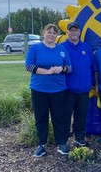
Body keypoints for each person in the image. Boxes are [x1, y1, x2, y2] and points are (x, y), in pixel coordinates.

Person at [25, 24, 71, 157]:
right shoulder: (35, 48)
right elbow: (29, 66)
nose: (51, 35)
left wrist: (61, 69)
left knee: (59, 117)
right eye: (49, 32)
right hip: (39, 89)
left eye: (54, 33)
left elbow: (69, 68)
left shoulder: (61, 49)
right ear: (43, 33)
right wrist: (48, 71)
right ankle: (41, 145)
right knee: (41, 117)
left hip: (58, 90)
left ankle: (61, 143)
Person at [60, 22, 94, 146]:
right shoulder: (61, 47)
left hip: (84, 90)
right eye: (71, 30)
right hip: (67, 90)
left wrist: (91, 83)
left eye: (75, 30)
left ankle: (79, 137)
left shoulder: (86, 47)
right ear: (67, 32)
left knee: (81, 115)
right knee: (65, 116)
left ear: (79, 32)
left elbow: (92, 67)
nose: (73, 32)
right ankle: (63, 140)